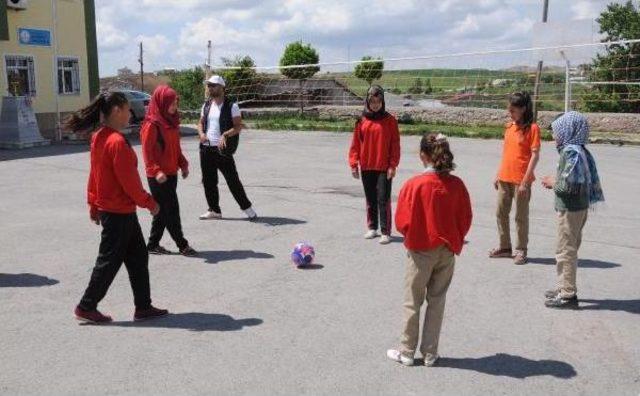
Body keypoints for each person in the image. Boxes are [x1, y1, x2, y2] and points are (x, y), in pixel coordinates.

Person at [66, 91, 168, 324]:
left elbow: (95, 175)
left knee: (138, 257)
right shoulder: (116, 142)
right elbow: (130, 183)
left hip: (118, 213)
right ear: (115, 111)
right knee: (108, 261)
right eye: (127, 109)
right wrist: (150, 203)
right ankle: (86, 306)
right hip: (118, 213)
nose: (130, 113)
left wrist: (93, 204)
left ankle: (143, 306)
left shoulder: (99, 137)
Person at [387, 133, 472, 366]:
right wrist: (456, 237)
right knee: (437, 300)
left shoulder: (415, 184)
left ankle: (406, 351)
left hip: (420, 250)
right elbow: (465, 218)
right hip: (447, 250)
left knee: (412, 301)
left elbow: (402, 220)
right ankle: (430, 353)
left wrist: (412, 235)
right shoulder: (457, 185)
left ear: (423, 156)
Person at [541, 112, 604, 309]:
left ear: (569, 131)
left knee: (565, 250)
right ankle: (563, 287)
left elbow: (570, 186)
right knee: (569, 249)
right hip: (578, 207)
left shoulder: (571, 152)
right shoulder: (579, 150)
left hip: (571, 209)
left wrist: (553, 182)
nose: (554, 136)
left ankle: (567, 294)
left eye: (557, 132)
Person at [140, 85, 197, 256]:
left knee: (162, 210)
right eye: (171, 104)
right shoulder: (151, 125)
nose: (174, 107)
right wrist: (156, 171)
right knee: (171, 210)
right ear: (161, 103)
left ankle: (152, 244)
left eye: (175, 103)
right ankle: (182, 245)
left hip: (170, 174)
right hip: (158, 177)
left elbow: (175, 149)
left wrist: (183, 164)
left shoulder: (172, 122)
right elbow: (147, 153)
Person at [489, 92, 541, 265]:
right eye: (509, 109)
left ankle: (521, 250)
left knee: (520, 216)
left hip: (521, 181)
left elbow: (535, 156)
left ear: (523, 109)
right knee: (500, 213)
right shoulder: (509, 127)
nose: (509, 113)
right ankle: (505, 247)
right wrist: (498, 173)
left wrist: (526, 181)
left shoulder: (532, 128)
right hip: (505, 177)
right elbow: (506, 153)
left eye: (513, 110)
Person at [197, 75, 257, 221]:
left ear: (222, 88)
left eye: (213, 85)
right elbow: (200, 123)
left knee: (233, 180)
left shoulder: (232, 106)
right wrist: (201, 134)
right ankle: (214, 210)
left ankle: (247, 209)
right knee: (209, 181)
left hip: (222, 150)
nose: (210, 88)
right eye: (209, 86)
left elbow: (238, 126)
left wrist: (225, 134)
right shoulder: (206, 105)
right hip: (206, 149)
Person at [348, 85, 400, 245]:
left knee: (383, 198)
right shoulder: (361, 121)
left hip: (384, 167)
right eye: (372, 101)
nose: (375, 104)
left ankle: (385, 231)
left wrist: (393, 165)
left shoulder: (390, 121)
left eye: (378, 101)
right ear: (367, 102)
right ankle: (372, 227)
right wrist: (353, 164)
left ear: (382, 101)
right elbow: (355, 144)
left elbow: (395, 145)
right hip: (366, 166)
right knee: (370, 198)